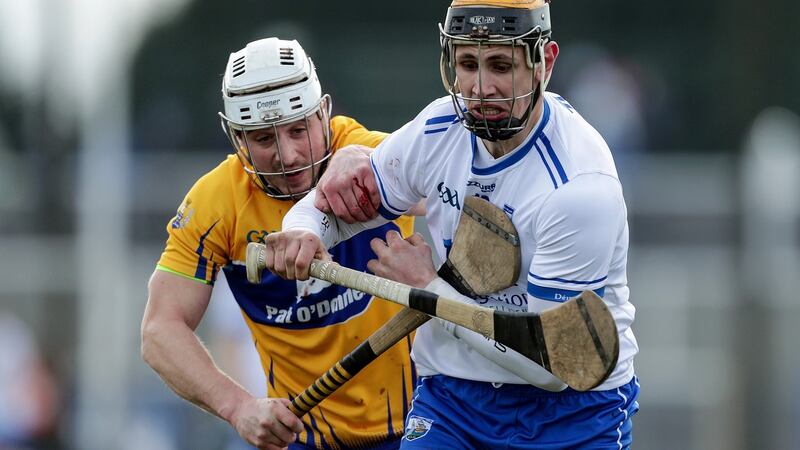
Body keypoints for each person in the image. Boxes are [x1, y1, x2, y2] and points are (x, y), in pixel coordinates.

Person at [263, 1, 640, 448]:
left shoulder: (578, 188)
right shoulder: (438, 129)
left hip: (571, 413)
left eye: (501, 64)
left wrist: (430, 292)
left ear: (545, 62)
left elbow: (551, 367)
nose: (481, 87)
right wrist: (304, 230)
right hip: (453, 400)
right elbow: (333, 205)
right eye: (467, 64)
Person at [140, 37, 416, 450]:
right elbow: (160, 330)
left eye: (297, 129)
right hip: (302, 438)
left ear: (323, 113)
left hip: (417, 425)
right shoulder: (216, 202)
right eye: (264, 139)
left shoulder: (374, 154)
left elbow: (462, 183)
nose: (287, 156)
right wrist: (238, 407)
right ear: (236, 137)